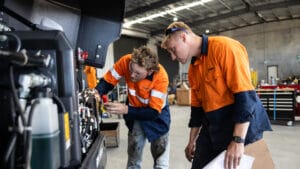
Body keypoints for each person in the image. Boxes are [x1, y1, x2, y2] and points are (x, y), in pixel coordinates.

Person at [161, 21, 273, 169]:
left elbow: (245, 97)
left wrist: (238, 140)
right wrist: (191, 141)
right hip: (214, 126)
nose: (173, 57)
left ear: (184, 37)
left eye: (173, 50)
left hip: (241, 124)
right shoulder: (193, 70)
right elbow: (197, 111)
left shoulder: (225, 48)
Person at [95, 45, 171, 169]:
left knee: (161, 161)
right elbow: (108, 81)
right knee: (133, 159)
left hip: (157, 117)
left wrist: (125, 109)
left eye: (137, 73)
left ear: (150, 71)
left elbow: (152, 113)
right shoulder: (126, 61)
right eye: (131, 69)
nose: (132, 75)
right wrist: (98, 92)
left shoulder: (161, 78)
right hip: (136, 114)